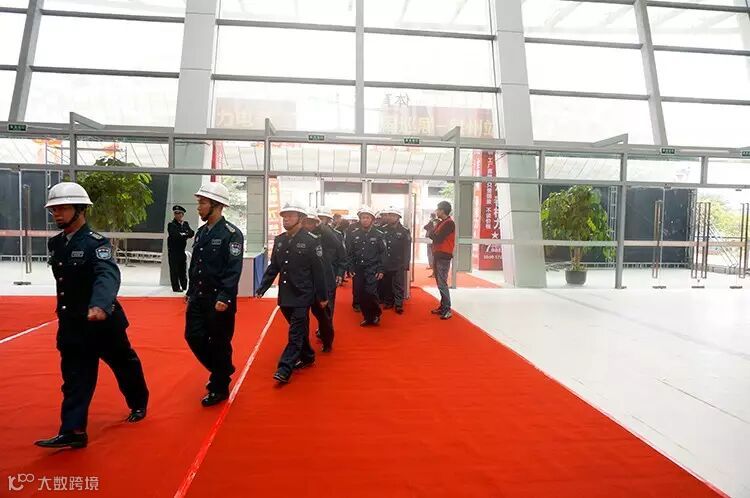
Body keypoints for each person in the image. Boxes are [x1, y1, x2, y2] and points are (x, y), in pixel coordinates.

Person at [35, 182, 149, 449]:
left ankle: (138, 402)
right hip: (73, 323)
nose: (57, 214)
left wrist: (99, 305)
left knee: (124, 364)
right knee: (75, 377)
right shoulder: (57, 244)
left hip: (103, 323)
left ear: (80, 210)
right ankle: (73, 431)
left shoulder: (97, 243)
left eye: (63, 208)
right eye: (54, 210)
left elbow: (106, 275)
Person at [185, 182, 244, 407]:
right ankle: (223, 369)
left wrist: (225, 297)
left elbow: (233, 268)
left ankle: (219, 386)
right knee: (193, 336)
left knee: (220, 342)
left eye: (203, 203)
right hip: (198, 296)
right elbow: (195, 265)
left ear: (217, 205)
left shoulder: (232, 234)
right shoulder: (201, 232)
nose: (199, 207)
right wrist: (190, 291)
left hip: (218, 299)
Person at [257, 204, 327, 384]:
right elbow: (274, 266)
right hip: (286, 294)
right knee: (299, 329)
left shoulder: (311, 241)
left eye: (290, 215)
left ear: (300, 219)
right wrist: (262, 287)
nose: (286, 219)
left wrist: (323, 296)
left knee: (295, 332)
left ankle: (284, 368)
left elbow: (319, 271)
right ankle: (308, 355)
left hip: (303, 294)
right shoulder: (280, 240)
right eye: (284, 216)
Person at [314, 207, 347, 350]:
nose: (320, 221)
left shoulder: (336, 235)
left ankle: (326, 335)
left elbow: (342, 256)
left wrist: (340, 273)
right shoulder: (308, 235)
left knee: (327, 308)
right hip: (311, 278)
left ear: (328, 220)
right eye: (318, 218)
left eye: (323, 218)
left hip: (329, 276)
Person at [346, 206, 386, 327]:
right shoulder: (354, 234)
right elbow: (350, 253)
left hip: (372, 268)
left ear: (372, 220)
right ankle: (367, 317)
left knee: (370, 292)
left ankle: (376, 314)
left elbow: (383, 254)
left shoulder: (379, 234)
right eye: (363, 217)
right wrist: (350, 267)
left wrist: (381, 269)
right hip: (358, 269)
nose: (365, 220)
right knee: (360, 293)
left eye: (367, 217)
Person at [379, 207, 411, 314]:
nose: (390, 217)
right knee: (387, 283)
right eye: (389, 215)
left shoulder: (404, 231)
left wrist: (406, 263)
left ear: (398, 217)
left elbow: (407, 249)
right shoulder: (383, 229)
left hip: (399, 262)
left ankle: (398, 304)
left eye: (393, 215)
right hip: (386, 262)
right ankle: (388, 302)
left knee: (398, 284)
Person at [429, 201, 455, 320]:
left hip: (444, 256)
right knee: (440, 282)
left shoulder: (449, 223)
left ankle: (447, 309)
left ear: (443, 210)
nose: (436, 211)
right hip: (438, 254)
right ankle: (443, 306)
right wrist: (432, 233)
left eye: (438, 209)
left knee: (442, 283)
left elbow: (437, 237)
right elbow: (433, 235)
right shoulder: (441, 222)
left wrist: (432, 233)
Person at [167, 205, 195, 292]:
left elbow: (191, 233)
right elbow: (175, 235)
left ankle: (184, 286)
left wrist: (183, 234)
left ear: (182, 214)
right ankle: (176, 287)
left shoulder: (185, 224)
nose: (177, 215)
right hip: (173, 251)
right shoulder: (171, 225)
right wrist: (185, 234)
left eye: (179, 213)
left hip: (181, 250)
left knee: (182, 269)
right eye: (175, 213)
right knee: (174, 270)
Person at [424, 212, 438, 277]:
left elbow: (428, 228)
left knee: (432, 255)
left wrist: (431, 222)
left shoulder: (436, 222)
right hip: (429, 240)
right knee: (429, 253)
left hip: (433, 241)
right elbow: (425, 227)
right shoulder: (431, 222)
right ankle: (431, 266)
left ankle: (433, 269)